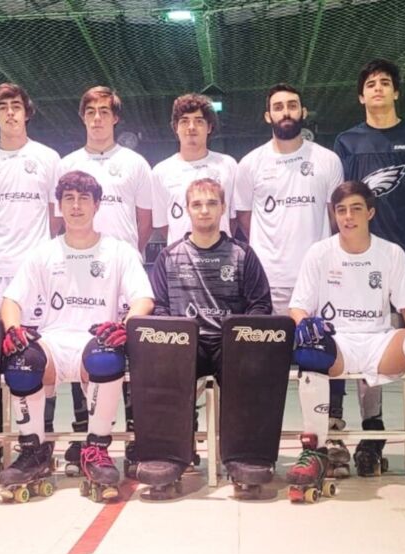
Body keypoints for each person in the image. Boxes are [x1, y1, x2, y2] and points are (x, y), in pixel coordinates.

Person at [286, 181, 405, 499]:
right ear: (334, 214)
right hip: (338, 341)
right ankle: (314, 451)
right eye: (341, 210)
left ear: (370, 212)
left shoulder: (390, 253)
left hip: (379, 341)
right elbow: (298, 306)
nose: (348, 216)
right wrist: (303, 324)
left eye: (356, 208)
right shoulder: (320, 253)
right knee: (311, 350)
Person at [0, 170, 154, 501]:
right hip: (54, 343)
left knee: (106, 355)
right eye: (68, 198)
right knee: (21, 358)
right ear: (59, 206)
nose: (76, 205)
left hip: (94, 341)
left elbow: (144, 298)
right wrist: (12, 328)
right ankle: (34, 451)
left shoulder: (119, 251)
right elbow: (11, 299)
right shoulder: (44, 253)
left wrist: (126, 323)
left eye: (84, 198)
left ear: (97, 205)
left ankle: (95, 448)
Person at [333, 59, 405, 475]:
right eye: (370, 84)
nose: (378, 89)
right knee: (365, 341)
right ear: (361, 96)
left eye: (385, 83)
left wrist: (404, 246)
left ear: (396, 92)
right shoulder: (347, 141)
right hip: (360, 263)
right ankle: (371, 434)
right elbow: (345, 203)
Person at [234, 83, 346, 473]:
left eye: (292, 106)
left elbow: (336, 219)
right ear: (268, 116)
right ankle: (259, 445)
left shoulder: (328, 160)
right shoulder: (249, 164)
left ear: (303, 112)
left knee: (323, 358)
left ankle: (330, 438)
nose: (285, 112)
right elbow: (245, 220)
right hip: (268, 283)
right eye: (278, 107)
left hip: (317, 281)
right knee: (264, 368)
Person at [145, 178, 273, 486]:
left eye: (211, 203)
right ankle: (174, 453)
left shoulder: (243, 255)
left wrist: (241, 336)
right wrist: (175, 338)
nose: (204, 211)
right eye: (197, 204)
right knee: (163, 365)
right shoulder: (169, 257)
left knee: (249, 366)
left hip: (228, 343)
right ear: (186, 210)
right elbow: (160, 308)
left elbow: (260, 306)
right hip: (186, 344)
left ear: (223, 208)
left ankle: (242, 454)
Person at [55, 86, 155, 460]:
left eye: (104, 111)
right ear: (83, 117)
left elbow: (145, 221)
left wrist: (126, 254)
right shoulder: (67, 163)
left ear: (115, 118)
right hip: (78, 271)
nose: (97, 117)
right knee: (82, 346)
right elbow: (58, 219)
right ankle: (85, 436)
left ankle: (133, 437)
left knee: (124, 352)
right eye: (91, 111)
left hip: (121, 272)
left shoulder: (135, 163)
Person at [0, 83, 59, 319]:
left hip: (37, 266)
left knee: (36, 343)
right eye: (3, 107)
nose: (10, 112)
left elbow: (55, 215)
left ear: (26, 113)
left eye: (16, 106)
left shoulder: (49, 157)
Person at [152, 93, 237, 245]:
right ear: (175, 128)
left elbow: (233, 218)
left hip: (224, 259)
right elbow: (163, 225)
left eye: (198, 121)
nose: (191, 127)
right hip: (181, 262)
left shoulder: (228, 165)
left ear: (209, 127)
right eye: (184, 121)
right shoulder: (161, 171)